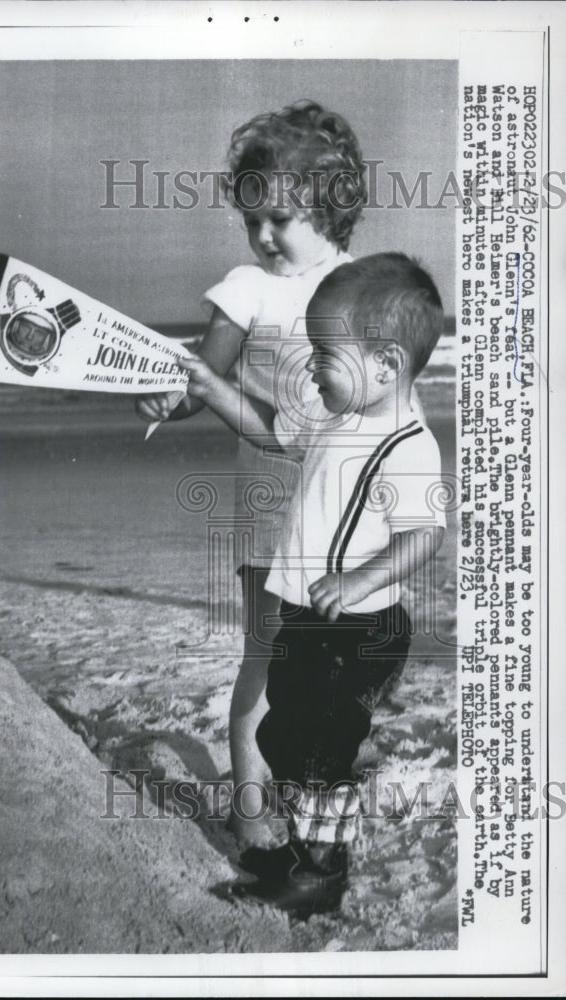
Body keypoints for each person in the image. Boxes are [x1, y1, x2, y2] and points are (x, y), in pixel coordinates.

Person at [178, 253, 447, 917]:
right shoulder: (333, 415)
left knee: (319, 751)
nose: (311, 364)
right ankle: (302, 848)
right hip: (310, 616)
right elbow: (271, 432)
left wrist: (359, 580)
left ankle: (320, 874)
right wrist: (212, 390)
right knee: (287, 738)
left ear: (384, 365)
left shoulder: (405, 443)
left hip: (356, 628)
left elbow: (423, 533)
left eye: (326, 352)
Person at [136, 101, 367, 848]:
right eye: (251, 220)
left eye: (279, 219)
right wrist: (170, 397)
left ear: (328, 208)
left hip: (344, 514)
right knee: (266, 661)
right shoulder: (246, 287)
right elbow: (202, 379)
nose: (263, 236)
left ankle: (312, 798)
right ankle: (249, 810)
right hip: (272, 511)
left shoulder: (362, 287)